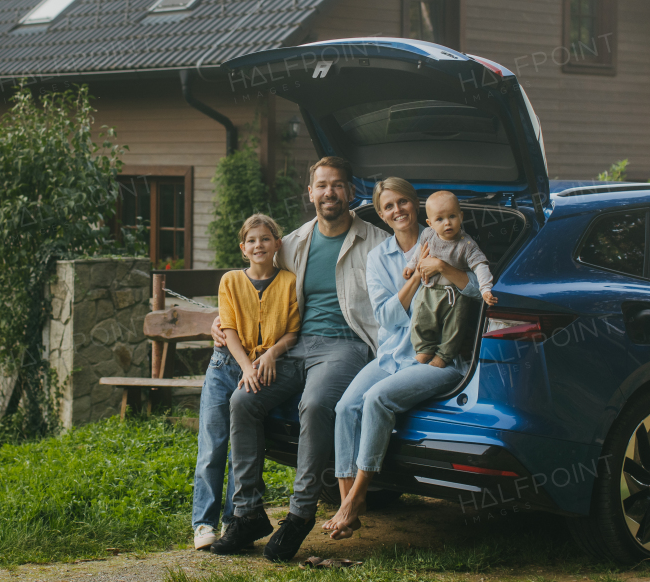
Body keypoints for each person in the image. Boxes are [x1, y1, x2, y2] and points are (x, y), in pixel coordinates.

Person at [211, 156, 387, 562]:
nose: (329, 192)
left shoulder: (376, 242)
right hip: (295, 346)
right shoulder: (292, 242)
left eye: (337, 185)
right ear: (310, 193)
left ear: (351, 192)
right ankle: (249, 512)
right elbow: (254, 281)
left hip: (347, 346)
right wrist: (220, 321)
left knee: (315, 403)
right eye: (321, 185)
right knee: (243, 401)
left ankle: (300, 513)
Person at [324, 179, 485, 540]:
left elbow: (477, 290)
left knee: (377, 399)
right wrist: (415, 275)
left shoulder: (452, 237)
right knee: (345, 407)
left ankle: (358, 496)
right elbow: (387, 317)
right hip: (392, 353)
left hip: (438, 359)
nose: (398, 211)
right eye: (390, 206)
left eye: (404, 203)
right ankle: (346, 501)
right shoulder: (378, 257)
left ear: (417, 206)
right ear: (382, 215)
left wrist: (441, 265)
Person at [193, 213, 300, 550]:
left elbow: (293, 331)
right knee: (213, 445)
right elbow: (229, 329)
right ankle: (203, 523)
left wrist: (268, 356)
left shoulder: (289, 282)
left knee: (241, 448)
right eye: (252, 240)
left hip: (262, 368)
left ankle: (233, 521)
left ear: (277, 244)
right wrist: (247, 367)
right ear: (243, 248)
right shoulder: (230, 281)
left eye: (265, 239)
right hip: (226, 367)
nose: (259, 245)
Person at [404, 190, 497, 364]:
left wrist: (485, 289)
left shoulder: (467, 244)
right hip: (429, 290)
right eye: (440, 219)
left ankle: (443, 356)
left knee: (454, 327)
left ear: (461, 217)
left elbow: (481, 267)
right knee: (421, 319)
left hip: (455, 295)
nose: (447, 223)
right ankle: (424, 349)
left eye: (452, 216)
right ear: (429, 223)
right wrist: (411, 265)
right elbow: (419, 250)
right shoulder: (428, 235)